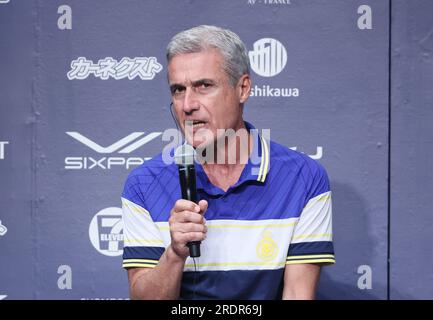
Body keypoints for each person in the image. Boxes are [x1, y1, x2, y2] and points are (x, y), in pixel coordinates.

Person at [121, 25, 335, 300]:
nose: (187, 105)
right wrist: (174, 253)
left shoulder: (304, 178)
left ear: (242, 88)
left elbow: (297, 293)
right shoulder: (143, 184)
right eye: (177, 90)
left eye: (203, 86)